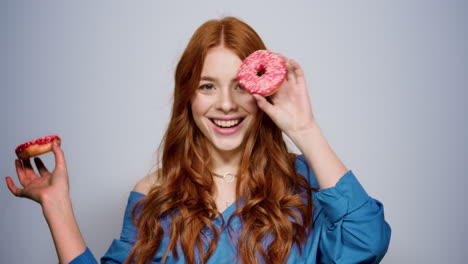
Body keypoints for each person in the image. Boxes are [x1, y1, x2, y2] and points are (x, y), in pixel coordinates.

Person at [5, 17, 391, 264]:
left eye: (240, 87)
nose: (225, 104)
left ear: (262, 94)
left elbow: (366, 244)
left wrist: (305, 130)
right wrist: (56, 207)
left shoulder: (305, 184)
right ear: (187, 96)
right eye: (208, 86)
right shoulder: (155, 193)